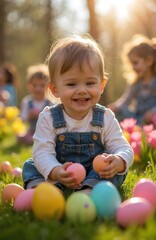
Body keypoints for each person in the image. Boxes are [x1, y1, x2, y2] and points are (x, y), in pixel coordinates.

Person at [22, 35, 134, 195]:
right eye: (71, 84)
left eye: (90, 83)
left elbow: (123, 147)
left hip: (94, 172)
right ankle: (46, 189)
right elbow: (43, 152)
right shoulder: (48, 117)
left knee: (112, 169)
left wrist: (119, 160)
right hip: (60, 169)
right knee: (32, 165)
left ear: (101, 85)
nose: (82, 90)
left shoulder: (105, 117)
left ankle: (89, 189)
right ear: (55, 89)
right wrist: (55, 171)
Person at [108, 34, 156, 125]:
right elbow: (126, 99)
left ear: (149, 61)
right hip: (138, 118)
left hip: (153, 119)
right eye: (131, 64)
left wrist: (153, 112)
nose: (133, 67)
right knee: (120, 113)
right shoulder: (135, 83)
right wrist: (116, 107)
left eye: (136, 63)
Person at [18, 64, 52, 145]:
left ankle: (36, 140)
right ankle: (31, 139)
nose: (38, 89)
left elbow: (53, 118)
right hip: (32, 130)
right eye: (34, 85)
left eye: (42, 85)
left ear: (49, 86)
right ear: (29, 85)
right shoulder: (27, 102)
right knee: (20, 135)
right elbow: (22, 119)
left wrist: (41, 115)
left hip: (46, 132)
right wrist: (29, 115)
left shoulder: (50, 102)